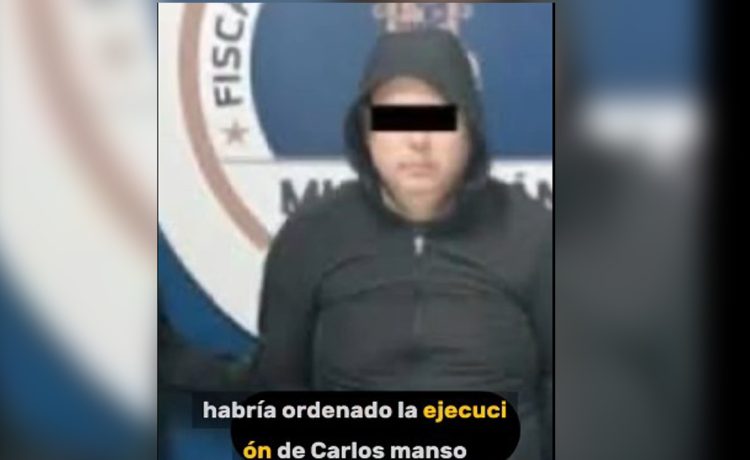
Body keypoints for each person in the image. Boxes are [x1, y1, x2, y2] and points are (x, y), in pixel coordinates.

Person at [249, 28, 552, 460]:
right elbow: (279, 390)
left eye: (440, 117)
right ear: (366, 131)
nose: (418, 140)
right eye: (396, 117)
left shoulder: (537, 236)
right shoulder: (309, 238)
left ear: (471, 129)